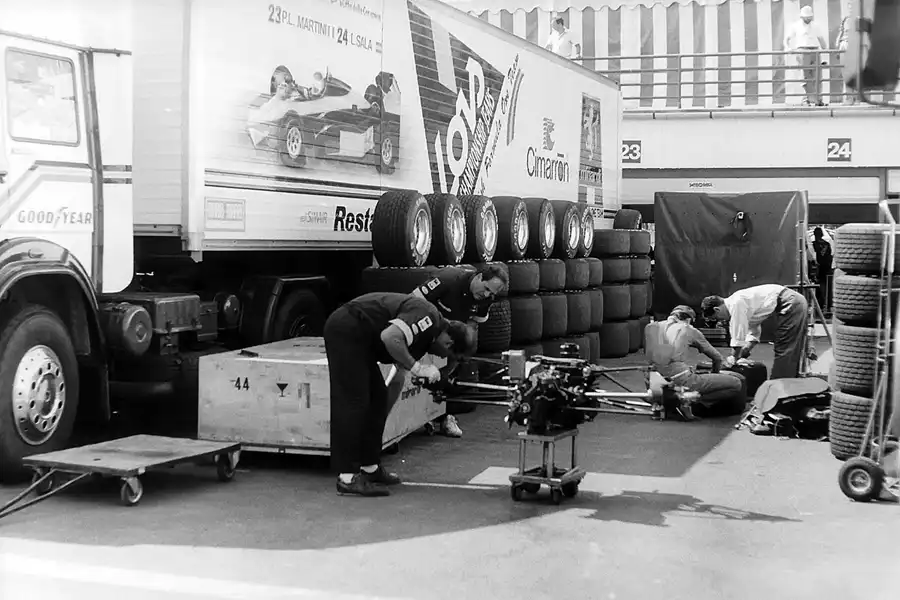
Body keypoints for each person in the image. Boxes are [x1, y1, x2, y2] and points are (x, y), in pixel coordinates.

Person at [324, 292, 469, 497]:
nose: (439, 356)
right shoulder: (427, 317)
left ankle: (370, 468)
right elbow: (390, 337)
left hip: (361, 339)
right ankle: (347, 477)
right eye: (445, 354)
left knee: (376, 398)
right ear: (448, 341)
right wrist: (418, 368)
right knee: (353, 402)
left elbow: (399, 372)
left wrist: (385, 408)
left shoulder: (426, 339)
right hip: (347, 329)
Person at [412, 264, 509, 437]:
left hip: (451, 336)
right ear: (479, 277)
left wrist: (465, 345)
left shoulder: (487, 298)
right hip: (425, 327)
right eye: (486, 289)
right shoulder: (447, 279)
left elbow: (473, 323)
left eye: (492, 293)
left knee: (454, 367)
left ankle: (445, 416)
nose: (486, 295)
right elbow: (412, 301)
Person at [645, 306, 748, 419]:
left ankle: (666, 400)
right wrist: (715, 373)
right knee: (736, 384)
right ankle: (688, 400)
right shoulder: (689, 329)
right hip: (679, 379)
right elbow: (717, 358)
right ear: (689, 319)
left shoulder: (650, 327)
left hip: (652, 379)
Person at [701, 284, 808, 380]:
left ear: (717, 310)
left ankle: (778, 388)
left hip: (790, 301)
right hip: (794, 301)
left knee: (785, 348)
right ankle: (789, 382)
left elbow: (738, 337)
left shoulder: (736, 304)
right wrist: (746, 349)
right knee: (791, 348)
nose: (721, 320)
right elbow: (754, 331)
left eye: (717, 318)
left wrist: (733, 358)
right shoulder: (742, 303)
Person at [784, 5, 829, 106]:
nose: (808, 19)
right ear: (802, 17)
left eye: (809, 17)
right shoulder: (795, 26)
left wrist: (825, 51)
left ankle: (818, 99)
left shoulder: (815, 26)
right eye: (806, 17)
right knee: (805, 76)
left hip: (815, 50)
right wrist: (788, 48)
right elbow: (787, 38)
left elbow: (821, 40)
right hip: (802, 50)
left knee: (817, 76)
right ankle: (806, 99)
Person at [811, 227, 833, 311]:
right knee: (827, 289)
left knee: (819, 289)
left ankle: (819, 306)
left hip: (818, 270)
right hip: (827, 269)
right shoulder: (827, 244)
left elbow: (811, 258)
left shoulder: (813, 244)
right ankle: (826, 306)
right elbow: (829, 257)